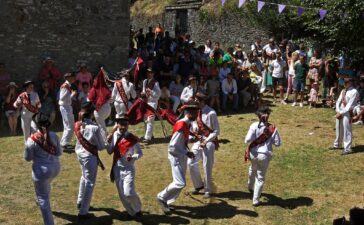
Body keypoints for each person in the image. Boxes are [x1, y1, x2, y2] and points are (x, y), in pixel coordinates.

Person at [157, 102, 199, 214]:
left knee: (180, 182)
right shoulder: (182, 125)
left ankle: (166, 201)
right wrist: (187, 152)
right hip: (176, 156)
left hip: (180, 155)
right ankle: (161, 197)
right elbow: (172, 146)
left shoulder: (186, 123)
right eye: (195, 112)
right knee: (180, 183)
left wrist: (190, 140)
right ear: (189, 113)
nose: (197, 114)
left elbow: (181, 141)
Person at [24, 112, 62, 225]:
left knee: (43, 199)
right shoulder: (54, 135)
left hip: (41, 171)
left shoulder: (31, 140)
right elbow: (59, 152)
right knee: (45, 187)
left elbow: (27, 158)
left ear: (35, 125)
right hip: (55, 168)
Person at [75, 102, 107, 220]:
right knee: (90, 183)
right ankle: (83, 212)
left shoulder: (77, 124)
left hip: (80, 154)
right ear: (92, 114)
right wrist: (106, 139)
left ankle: (80, 200)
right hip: (90, 157)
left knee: (84, 177)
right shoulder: (94, 128)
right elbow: (101, 146)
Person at [107, 113, 143, 218]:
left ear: (128, 125)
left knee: (129, 192)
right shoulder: (113, 136)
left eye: (125, 124)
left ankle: (138, 208)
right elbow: (109, 151)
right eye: (121, 124)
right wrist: (107, 142)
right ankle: (131, 212)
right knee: (122, 194)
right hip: (117, 168)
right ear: (117, 124)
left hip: (128, 168)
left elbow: (140, 153)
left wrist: (133, 157)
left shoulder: (132, 138)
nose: (123, 126)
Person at [244, 106, 281, 206]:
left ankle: (250, 187)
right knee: (260, 177)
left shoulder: (253, 125)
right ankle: (255, 200)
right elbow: (278, 143)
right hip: (264, 155)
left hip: (252, 153)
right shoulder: (272, 128)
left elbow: (247, 140)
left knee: (253, 168)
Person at [188, 92, 220, 198]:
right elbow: (194, 126)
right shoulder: (197, 111)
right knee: (191, 162)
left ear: (202, 101)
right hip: (199, 140)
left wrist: (206, 141)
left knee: (207, 166)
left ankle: (208, 190)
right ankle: (198, 185)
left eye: (197, 100)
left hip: (209, 142)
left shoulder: (211, 113)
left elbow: (216, 131)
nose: (195, 102)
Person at [330, 77, 359, 155]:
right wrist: (338, 110)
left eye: (346, 82)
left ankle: (348, 148)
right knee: (338, 128)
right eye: (344, 82)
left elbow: (349, 105)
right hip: (341, 111)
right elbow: (338, 101)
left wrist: (341, 112)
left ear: (351, 82)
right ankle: (337, 144)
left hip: (348, 112)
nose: (344, 84)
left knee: (347, 130)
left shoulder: (354, 92)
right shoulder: (343, 91)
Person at [88, 70, 112, 135]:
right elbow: (111, 99)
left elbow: (89, 100)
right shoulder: (106, 88)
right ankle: (105, 136)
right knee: (102, 124)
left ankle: (105, 140)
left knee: (101, 126)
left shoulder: (93, 89)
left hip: (99, 110)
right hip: (108, 109)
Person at [141, 68, 161, 142]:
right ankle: (150, 135)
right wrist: (142, 93)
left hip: (153, 103)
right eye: (148, 72)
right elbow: (143, 90)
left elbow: (158, 95)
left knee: (150, 119)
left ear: (153, 74)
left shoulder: (156, 83)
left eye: (151, 73)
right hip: (146, 101)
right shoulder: (145, 81)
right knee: (145, 119)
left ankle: (147, 137)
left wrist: (151, 92)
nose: (149, 74)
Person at [59, 72, 77, 150]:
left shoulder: (67, 86)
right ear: (68, 78)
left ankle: (63, 143)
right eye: (72, 77)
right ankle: (64, 144)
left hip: (66, 106)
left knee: (67, 126)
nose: (74, 79)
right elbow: (62, 98)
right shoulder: (65, 86)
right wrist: (72, 94)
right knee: (70, 126)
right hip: (65, 107)